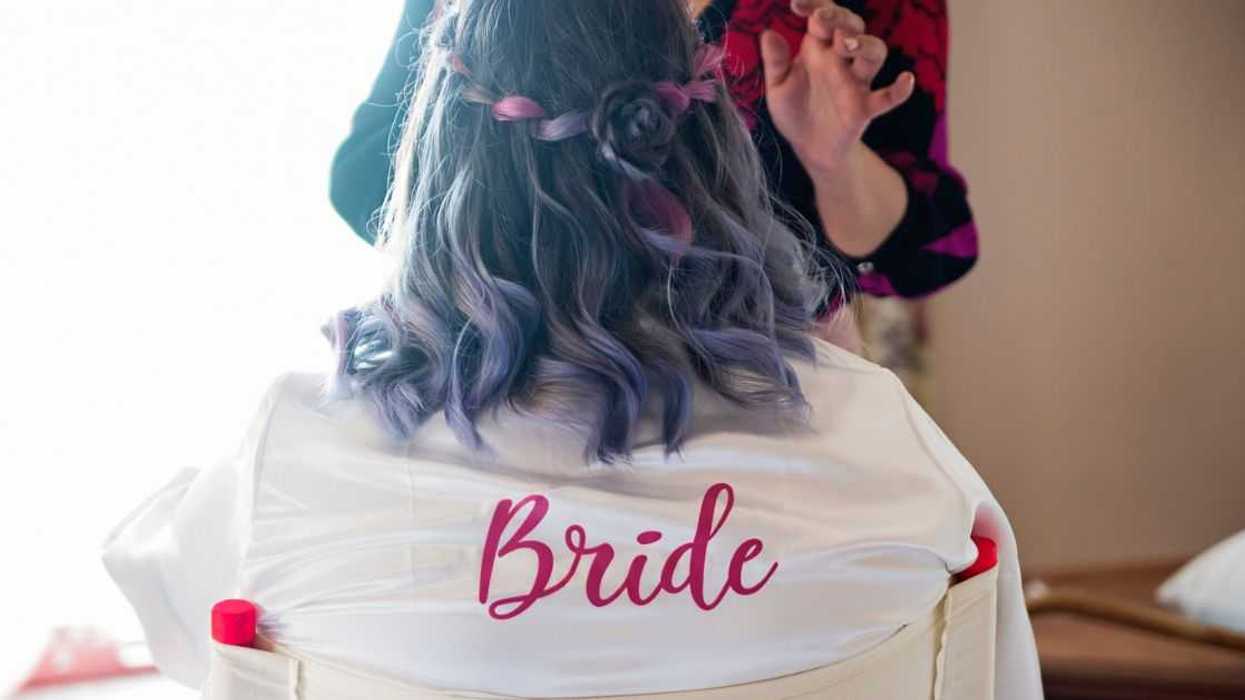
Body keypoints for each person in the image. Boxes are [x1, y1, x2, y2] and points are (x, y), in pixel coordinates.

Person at [104, 0, 1040, 697]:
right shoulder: (888, 463)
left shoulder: (290, 460)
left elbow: (193, 639)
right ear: (718, 150)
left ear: (441, 161)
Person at [330, 0, 978, 309]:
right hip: (520, 395)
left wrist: (829, 160)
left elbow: (924, 255)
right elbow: (368, 187)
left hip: (763, 416)